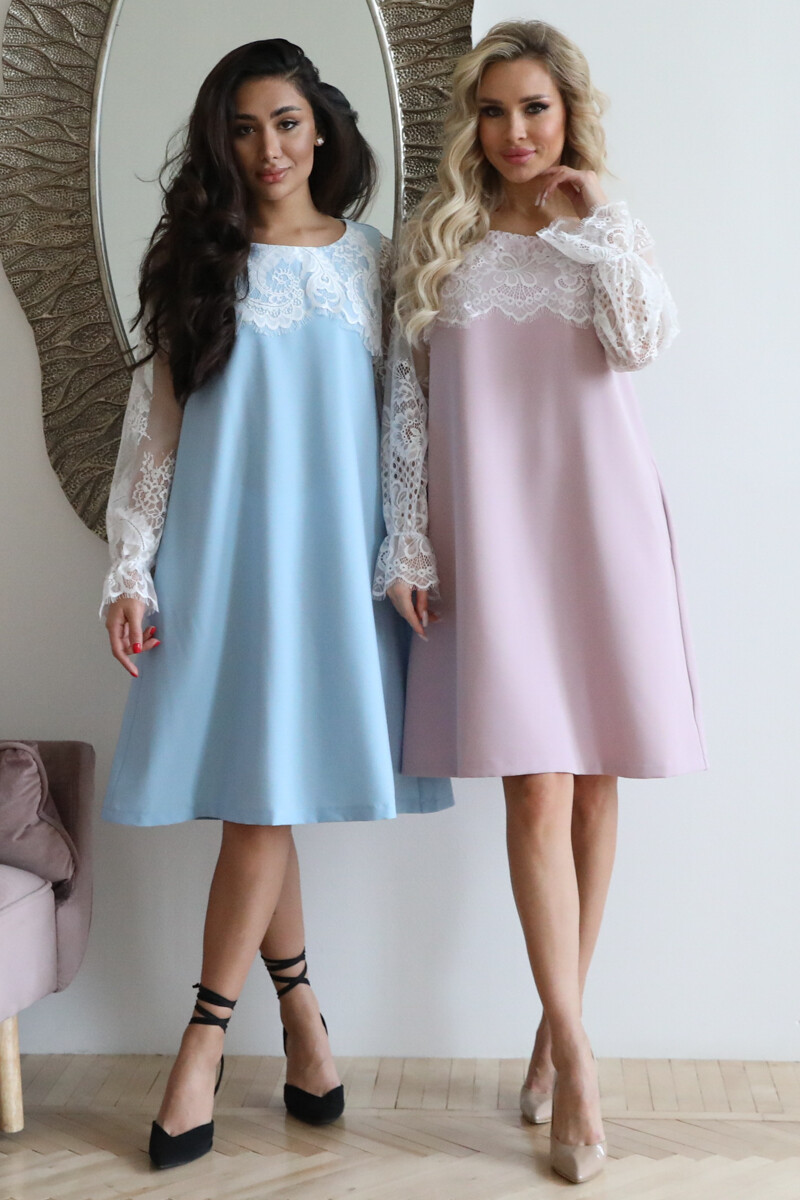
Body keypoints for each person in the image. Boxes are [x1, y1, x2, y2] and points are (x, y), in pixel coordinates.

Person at [100, 38, 452, 1171]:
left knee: (265, 800)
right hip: (221, 560)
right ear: (222, 141)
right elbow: (155, 430)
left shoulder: (373, 261)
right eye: (246, 129)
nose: (269, 149)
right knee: (264, 797)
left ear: (322, 127)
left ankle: (208, 1042)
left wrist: (405, 543)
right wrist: (131, 564)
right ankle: (296, 1029)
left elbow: (405, 420)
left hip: (333, 564)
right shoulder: (196, 263)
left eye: (287, 123)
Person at [375, 19, 706, 1186]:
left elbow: (643, 342)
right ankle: (576, 1053)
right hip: (489, 541)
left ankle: (552, 1030)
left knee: (594, 778)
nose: (513, 132)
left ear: (567, 114)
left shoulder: (601, 229)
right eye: (493, 111)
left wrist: (600, 219)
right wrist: (405, 533)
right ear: (470, 123)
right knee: (532, 783)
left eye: (534, 108)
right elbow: (405, 403)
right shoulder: (438, 242)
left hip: (600, 526)